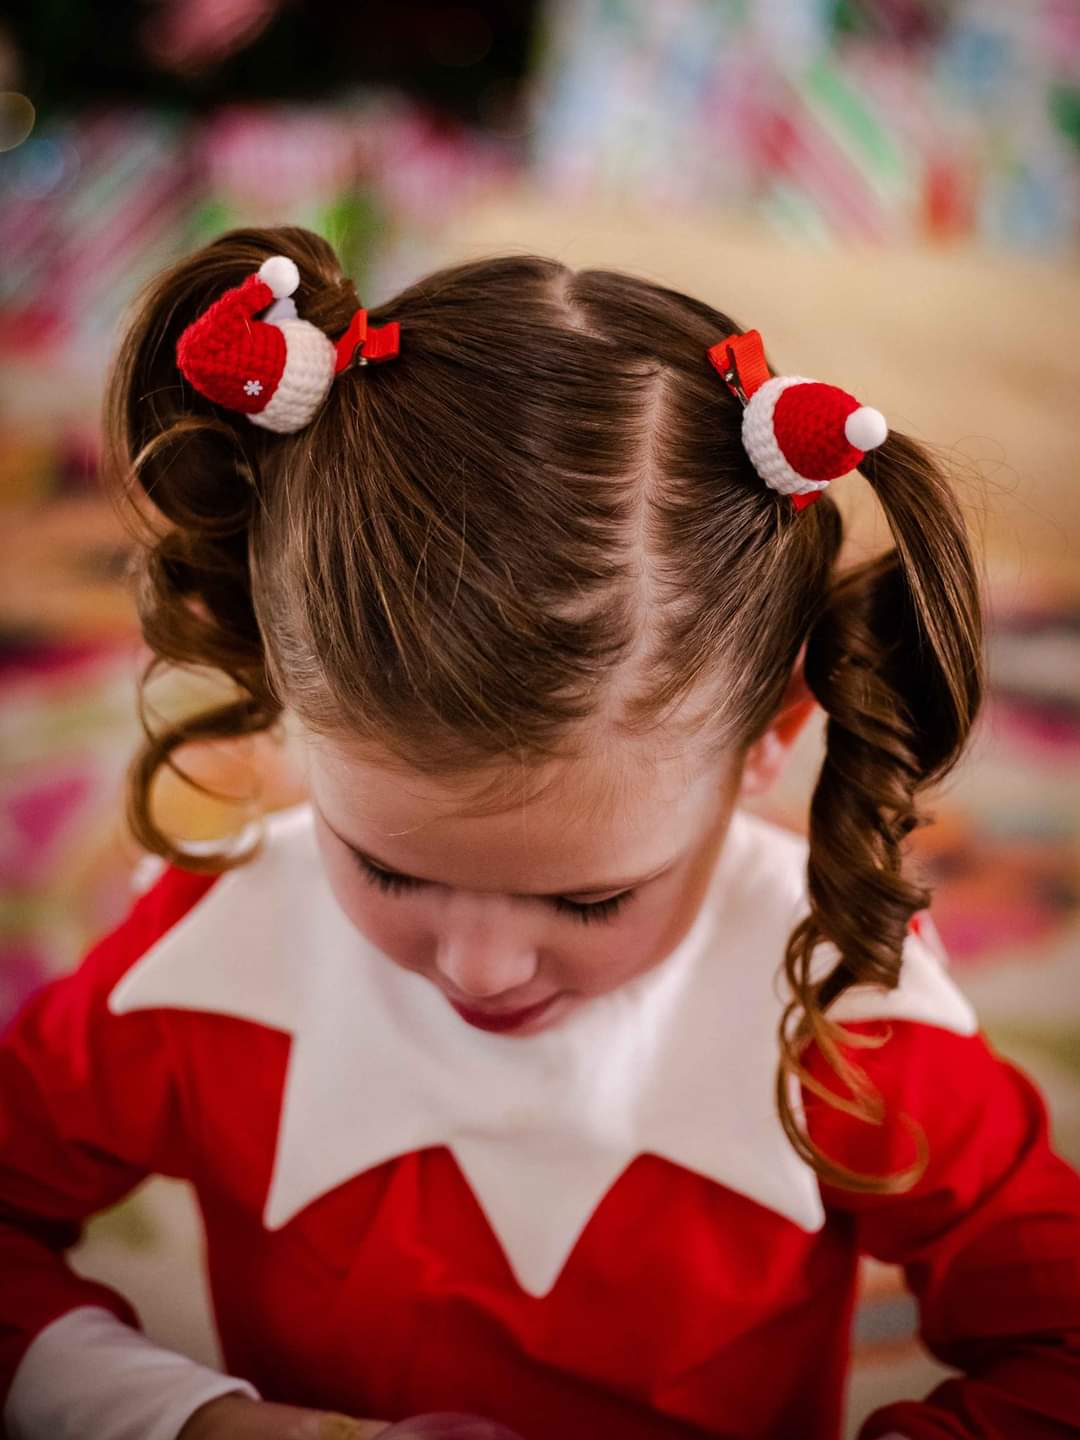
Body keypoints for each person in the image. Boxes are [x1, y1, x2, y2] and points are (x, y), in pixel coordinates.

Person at [1, 225, 1077, 1440]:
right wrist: (208, 1423)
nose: (480, 967)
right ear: (288, 693)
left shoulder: (844, 1021)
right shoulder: (211, 966)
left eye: (585, 901)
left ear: (772, 731)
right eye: (389, 866)